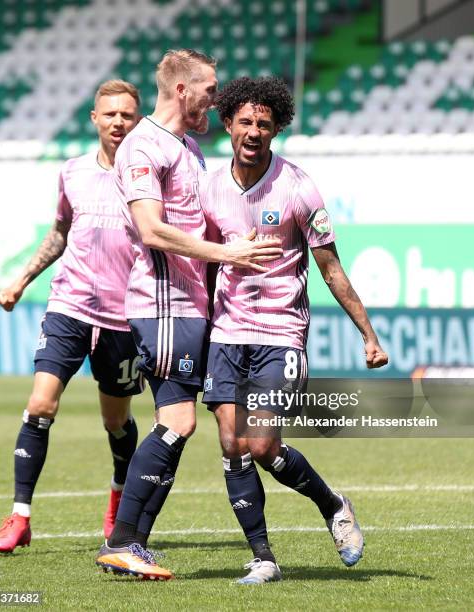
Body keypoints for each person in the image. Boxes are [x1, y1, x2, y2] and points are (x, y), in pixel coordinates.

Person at [95, 50, 283, 581]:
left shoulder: (190, 147)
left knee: (179, 424)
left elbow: (196, 222)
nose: (216, 99)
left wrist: (233, 240)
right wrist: (227, 255)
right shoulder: (143, 146)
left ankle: (128, 544)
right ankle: (126, 539)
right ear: (182, 90)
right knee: (176, 422)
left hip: (192, 305)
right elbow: (151, 229)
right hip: (162, 304)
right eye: (210, 89)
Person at [200, 76, 389, 584]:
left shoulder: (298, 186)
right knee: (231, 444)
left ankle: (333, 505)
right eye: (245, 122)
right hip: (226, 333)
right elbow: (207, 265)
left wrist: (368, 334)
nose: (254, 131)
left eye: (265, 123)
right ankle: (263, 559)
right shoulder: (209, 188)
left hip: (281, 332)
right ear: (229, 125)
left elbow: (330, 267)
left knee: (261, 445)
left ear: (277, 127)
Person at [0, 80, 145, 553]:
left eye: (128, 115)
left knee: (116, 421)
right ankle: (19, 517)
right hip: (69, 307)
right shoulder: (73, 172)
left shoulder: (148, 179)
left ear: (138, 122)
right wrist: (21, 280)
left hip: (125, 319)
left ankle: (118, 496)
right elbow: (60, 232)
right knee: (40, 405)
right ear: (94, 119)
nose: (119, 122)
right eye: (110, 114)